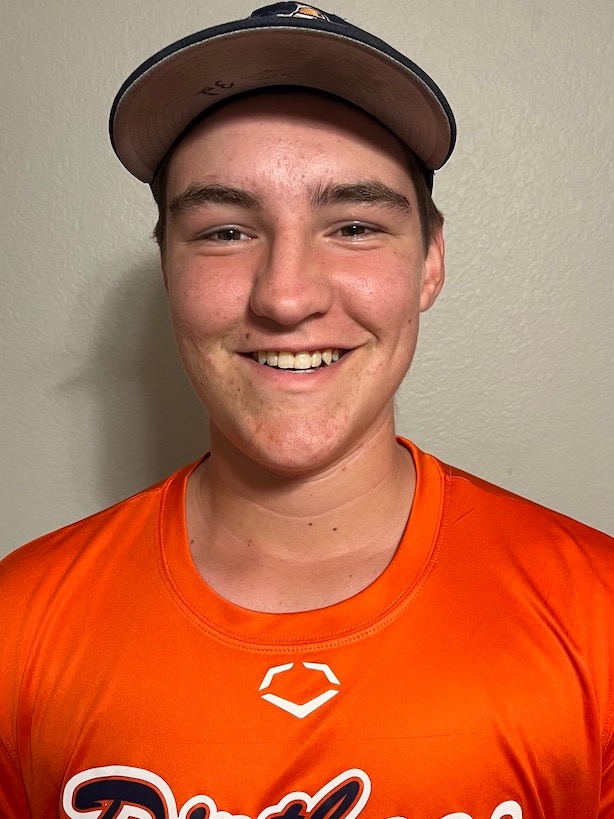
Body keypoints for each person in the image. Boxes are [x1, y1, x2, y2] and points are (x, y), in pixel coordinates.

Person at [1, 4, 613, 817]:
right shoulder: (18, 625)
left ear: (430, 263)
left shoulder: (597, 617)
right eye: (224, 232)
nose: (286, 296)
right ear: (168, 269)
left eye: (353, 226)